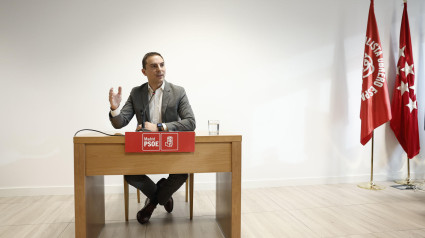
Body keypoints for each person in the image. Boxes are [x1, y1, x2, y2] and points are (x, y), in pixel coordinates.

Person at [108, 52, 196, 224]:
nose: (159, 69)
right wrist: (114, 108)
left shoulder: (178, 92)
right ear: (144, 71)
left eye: (162, 65)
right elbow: (120, 122)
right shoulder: (136, 93)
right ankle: (163, 195)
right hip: (145, 147)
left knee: (180, 174)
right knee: (131, 176)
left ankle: (153, 202)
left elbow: (190, 122)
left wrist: (159, 127)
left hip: (172, 148)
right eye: (154, 66)